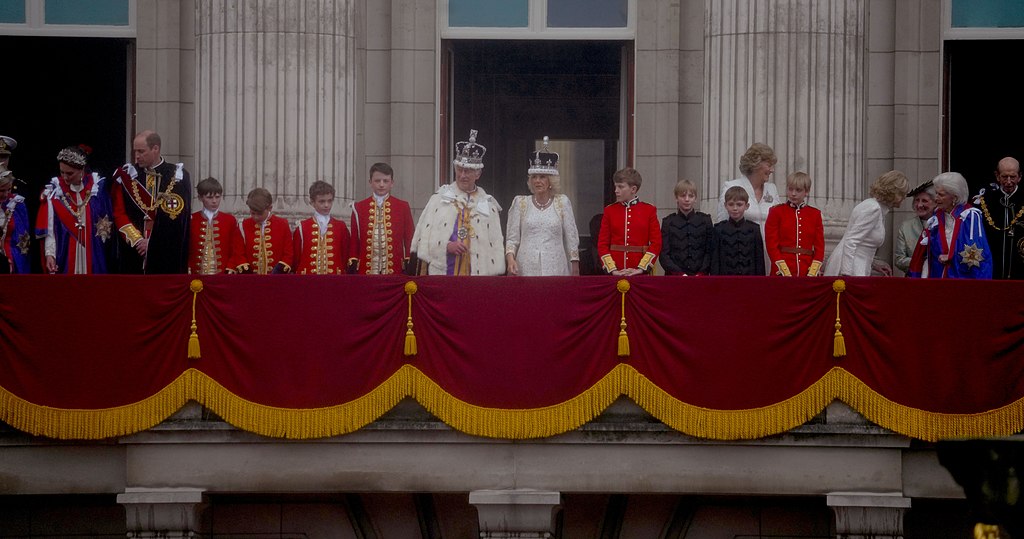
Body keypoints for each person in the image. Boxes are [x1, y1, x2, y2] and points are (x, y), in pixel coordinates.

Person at [411, 129, 505, 275]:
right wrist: (446, 246)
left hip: (476, 278)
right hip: (445, 271)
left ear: (478, 174)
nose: (462, 175)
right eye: (459, 170)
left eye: (467, 171)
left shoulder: (488, 205)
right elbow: (424, 238)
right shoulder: (439, 198)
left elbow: (494, 248)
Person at [111, 130, 191, 274]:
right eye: (135, 151)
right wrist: (138, 241)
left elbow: (178, 218)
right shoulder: (127, 175)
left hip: (165, 252)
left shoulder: (178, 176)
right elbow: (119, 213)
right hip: (134, 251)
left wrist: (153, 243)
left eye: (141, 151)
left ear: (155, 149)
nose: (137, 157)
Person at [505, 137, 580, 276]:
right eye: (534, 177)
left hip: (556, 267)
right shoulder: (520, 202)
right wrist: (510, 260)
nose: (537, 181)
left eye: (542, 177)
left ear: (551, 180)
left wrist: (574, 265)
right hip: (526, 268)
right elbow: (512, 238)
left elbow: (571, 237)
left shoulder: (562, 202)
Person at [36, 146, 116, 274]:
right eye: (62, 172)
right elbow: (50, 230)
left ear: (82, 170)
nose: (65, 177)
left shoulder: (97, 190)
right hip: (66, 255)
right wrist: (49, 254)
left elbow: (108, 226)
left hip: (94, 256)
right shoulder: (55, 193)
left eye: (70, 173)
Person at [824, 170, 910, 277]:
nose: (905, 197)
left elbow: (863, 246)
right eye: (903, 193)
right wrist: (846, 274)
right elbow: (851, 241)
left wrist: (874, 265)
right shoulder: (873, 208)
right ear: (895, 193)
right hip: (851, 269)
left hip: (858, 266)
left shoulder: (876, 208)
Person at [909, 172, 992, 279]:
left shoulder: (969, 216)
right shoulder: (936, 217)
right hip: (936, 276)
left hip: (961, 279)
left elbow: (976, 252)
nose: (936, 198)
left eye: (941, 195)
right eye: (936, 193)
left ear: (954, 197)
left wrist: (952, 256)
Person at [717, 143, 780, 274]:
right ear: (756, 164)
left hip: (771, 253)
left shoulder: (772, 189)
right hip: (743, 256)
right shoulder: (731, 186)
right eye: (769, 165)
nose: (772, 170)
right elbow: (722, 224)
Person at [348, 162, 414, 275]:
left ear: (392, 183)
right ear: (370, 182)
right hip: (366, 270)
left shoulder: (402, 206)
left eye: (385, 181)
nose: (381, 185)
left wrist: (409, 261)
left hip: (395, 270)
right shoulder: (359, 207)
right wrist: (353, 261)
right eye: (377, 181)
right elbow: (355, 239)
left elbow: (409, 238)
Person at [597, 167, 661, 276]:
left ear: (633, 189)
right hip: (616, 271)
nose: (616, 190)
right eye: (616, 186)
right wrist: (612, 270)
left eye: (621, 187)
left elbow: (656, 243)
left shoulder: (649, 210)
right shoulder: (609, 211)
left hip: (640, 271)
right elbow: (602, 244)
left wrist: (641, 269)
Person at [764, 171, 824, 277]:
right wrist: (782, 267)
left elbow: (819, 246)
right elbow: (771, 244)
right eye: (790, 189)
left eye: (798, 190)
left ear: (807, 191)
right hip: (782, 269)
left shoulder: (815, 214)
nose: (793, 193)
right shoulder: (776, 212)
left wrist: (814, 269)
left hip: (807, 269)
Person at [975, 157, 1023, 279]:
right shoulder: (984, 202)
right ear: (997, 176)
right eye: (1004, 177)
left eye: (1012, 177)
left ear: (1019, 176)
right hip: (993, 268)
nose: (1008, 181)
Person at [188, 177, 246, 275]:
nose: (214, 201)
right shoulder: (191, 220)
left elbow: (236, 248)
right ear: (200, 198)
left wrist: (230, 267)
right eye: (209, 198)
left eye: (217, 197)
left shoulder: (229, 220)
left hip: (222, 275)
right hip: (196, 275)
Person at [293, 180, 349, 275]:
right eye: (322, 201)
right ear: (312, 202)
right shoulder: (302, 227)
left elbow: (345, 256)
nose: (326, 205)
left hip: (335, 280)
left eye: (329, 201)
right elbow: (296, 259)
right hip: (307, 281)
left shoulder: (341, 226)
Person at [659, 178, 713, 275]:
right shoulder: (668, 222)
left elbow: (709, 251)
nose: (687, 199)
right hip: (675, 278)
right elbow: (664, 255)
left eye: (691, 196)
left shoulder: (705, 221)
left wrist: (701, 273)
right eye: (683, 196)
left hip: (700, 277)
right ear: (676, 198)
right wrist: (679, 274)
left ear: (695, 199)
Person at [710, 185, 765, 276]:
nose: (735, 208)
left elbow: (759, 261)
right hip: (725, 281)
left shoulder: (754, 229)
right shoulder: (718, 229)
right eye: (731, 204)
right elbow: (715, 261)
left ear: (746, 206)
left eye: (739, 204)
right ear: (725, 205)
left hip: (749, 280)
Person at [240, 188, 293, 274]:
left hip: (276, 280)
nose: (256, 217)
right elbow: (239, 254)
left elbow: (288, 254)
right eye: (253, 213)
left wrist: (278, 272)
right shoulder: (243, 225)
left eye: (260, 214)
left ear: (270, 208)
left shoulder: (282, 224)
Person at [894, 180, 936, 277]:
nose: (919, 205)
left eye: (924, 201)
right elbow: (899, 259)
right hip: (913, 280)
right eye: (917, 200)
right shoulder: (906, 227)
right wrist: (923, 262)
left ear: (935, 203)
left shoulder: (943, 224)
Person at [0, 167, 30, 273]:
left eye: (9, 190)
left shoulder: (15, 205)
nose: (6, 194)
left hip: (8, 262)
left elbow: (23, 241)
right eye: (2, 190)